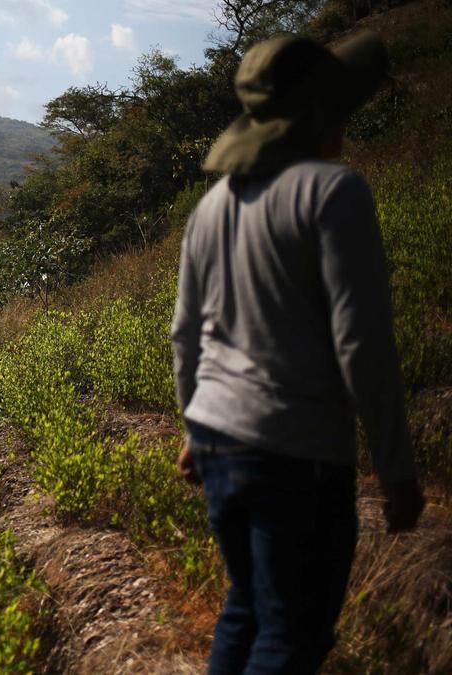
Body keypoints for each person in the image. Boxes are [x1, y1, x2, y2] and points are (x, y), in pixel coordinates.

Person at [170, 32, 425, 674]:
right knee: (290, 634)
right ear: (321, 114)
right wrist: (396, 469)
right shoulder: (333, 192)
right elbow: (361, 341)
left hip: (220, 439)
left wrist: (193, 426)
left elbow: (186, 335)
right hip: (294, 450)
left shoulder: (212, 205)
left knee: (247, 608)